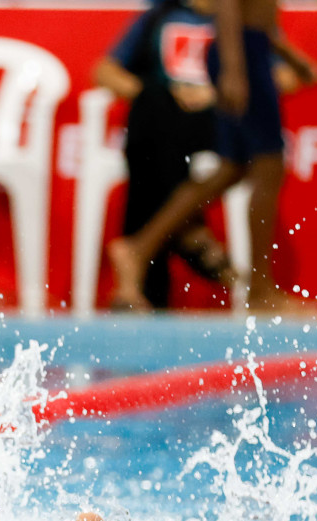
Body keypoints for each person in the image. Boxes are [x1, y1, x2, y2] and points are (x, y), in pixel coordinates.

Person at [106, 0, 317, 312]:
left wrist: (288, 56)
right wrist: (235, 69)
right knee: (268, 167)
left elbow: (256, 14)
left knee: (230, 168)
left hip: (250, 49)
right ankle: (261, 290)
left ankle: (139, 248)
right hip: (242, 53)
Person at [94, 0, 236, 310]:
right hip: (162, 125)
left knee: (153, 129)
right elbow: (105, 72)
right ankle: (189, 231)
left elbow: (278, 77)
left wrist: (213, 93)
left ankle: (136, 279)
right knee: (156, 111)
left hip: (215, 122)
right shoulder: (158, 16)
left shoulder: (237, 15)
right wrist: (163, 96)